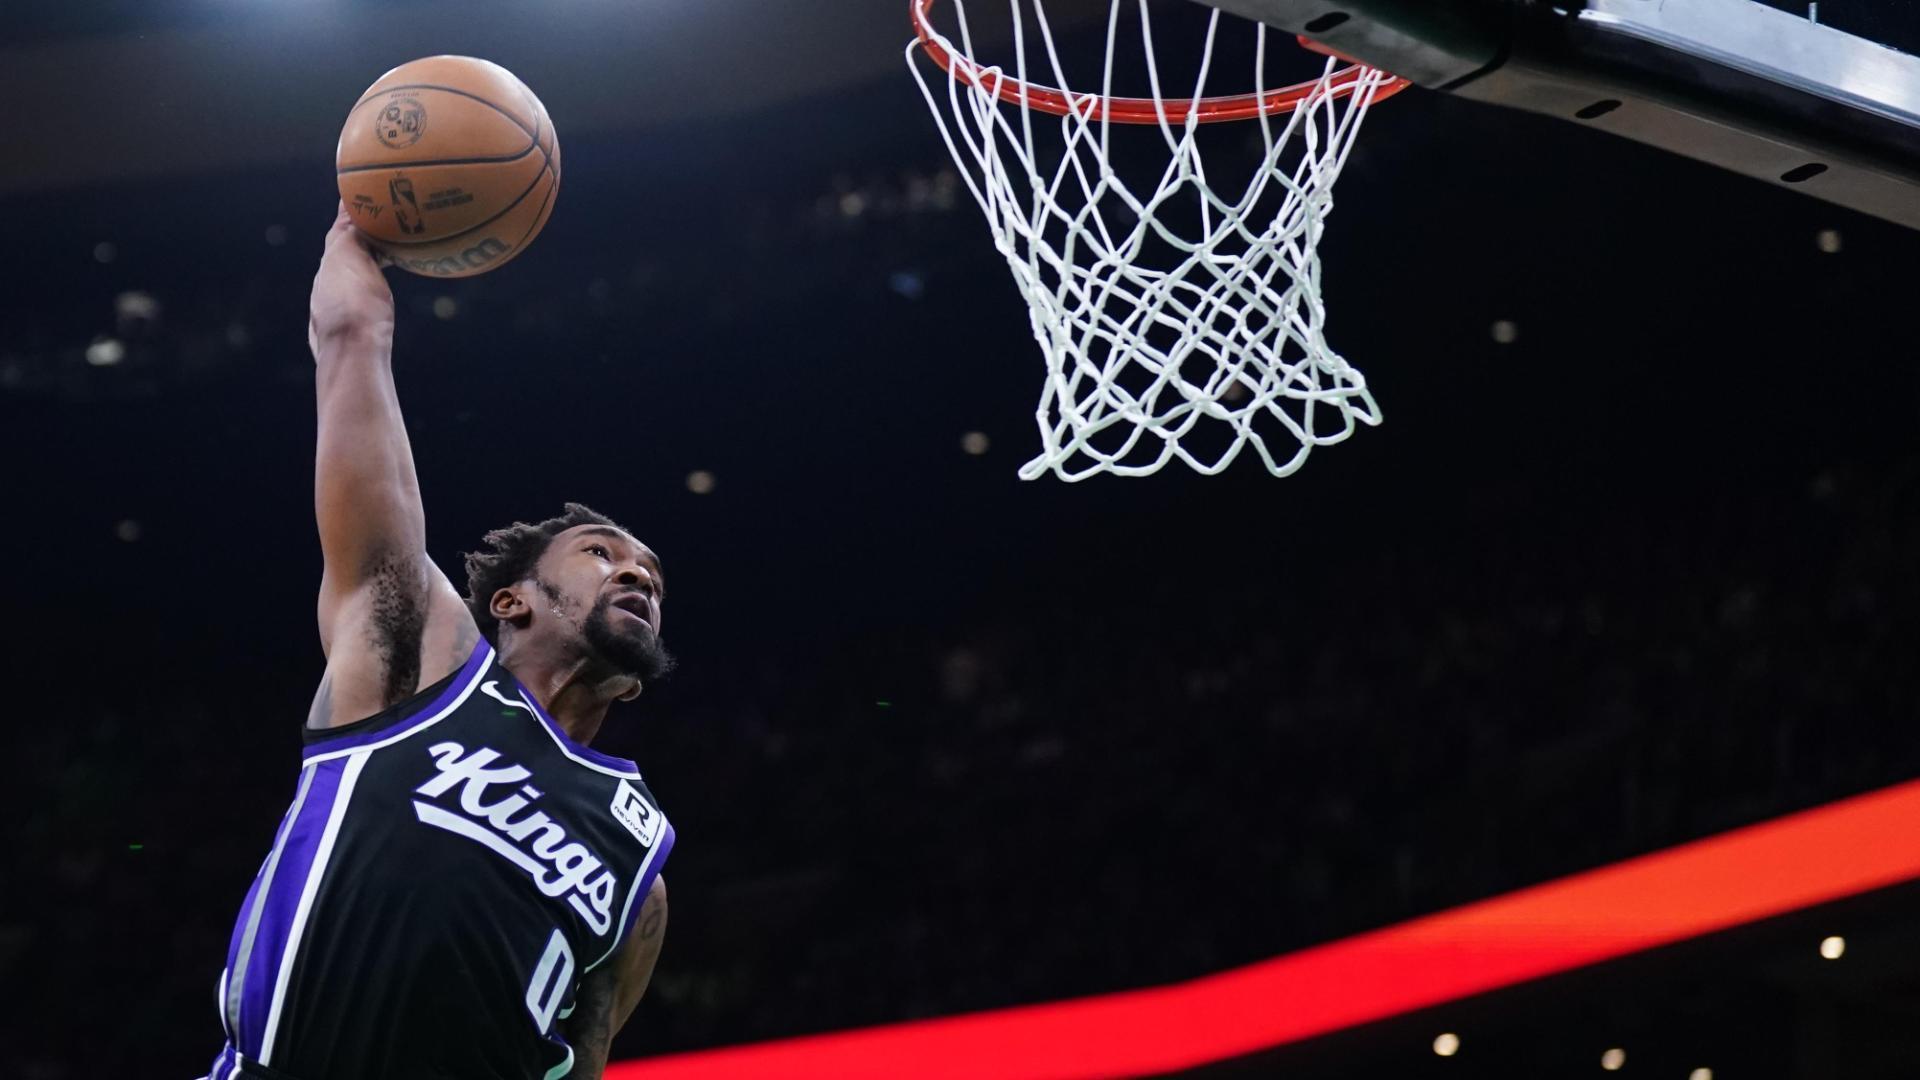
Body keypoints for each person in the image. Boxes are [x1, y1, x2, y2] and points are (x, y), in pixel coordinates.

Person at [203, 206, 676, 1080]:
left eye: (650, 573)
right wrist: (356, 238)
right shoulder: (420, 664)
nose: (638, 575)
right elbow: (349, 352)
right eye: (602, 553)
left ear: (633, 686)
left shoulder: (637, 862)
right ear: (511, 601)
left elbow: (589, 1056)